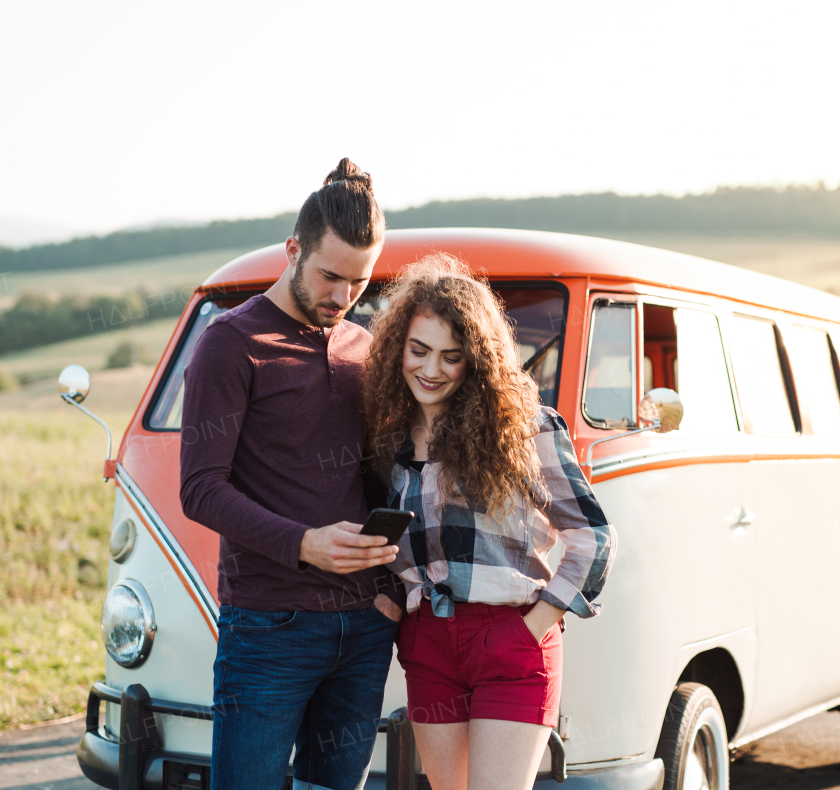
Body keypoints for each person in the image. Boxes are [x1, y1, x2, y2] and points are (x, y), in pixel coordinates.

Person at [180, 158, 404, 790]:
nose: (342, 297)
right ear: (292, 249)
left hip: (364, 625)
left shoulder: (364, 347)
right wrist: (305, 544)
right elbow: (200, 490)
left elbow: (379, 477)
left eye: (359, 283)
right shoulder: (230, 343)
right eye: (330, 275)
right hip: (269, 626)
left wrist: (388, 595)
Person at [361, 254, 617, 790]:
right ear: (396, 349)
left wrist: (531, 630)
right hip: (428, 641)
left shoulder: (525, 428)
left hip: (511, 636)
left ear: (476, 359)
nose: (431, 370)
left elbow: (592, 536)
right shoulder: (388, 438)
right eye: (419, 351)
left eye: (451, 357)